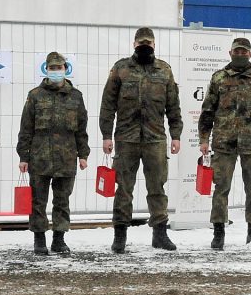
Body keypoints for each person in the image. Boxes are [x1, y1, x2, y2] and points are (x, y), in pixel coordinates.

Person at [99, 27, 183, 253]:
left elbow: (173, 106)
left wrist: (176, 135)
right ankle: (120, 236)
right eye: (141, 42)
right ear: (134, 44)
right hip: (126, 139)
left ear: (154, 45)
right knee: (123, 188)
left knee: (157, 187)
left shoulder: (164, 70)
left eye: (149, 42)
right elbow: (108, 104)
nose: (145, 45)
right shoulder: (121, 69)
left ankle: (160, 234)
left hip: (155, 139)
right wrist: (106, 135)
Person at [199, 37, 251, 250]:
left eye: (244, 52)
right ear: (230, 53)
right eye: (237, 52)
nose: (240, 55)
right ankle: (218, 232)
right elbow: (207, 111)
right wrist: (204, 139)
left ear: (250, 54)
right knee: (221, 188)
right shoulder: (218, 78)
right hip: (224, 143)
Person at [17, 51, 90, 256]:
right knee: (38, 201)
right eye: (52, 68)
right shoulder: (35, 96)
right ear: (46, 70)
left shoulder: (76, 97)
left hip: (66, 158)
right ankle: (39, 239)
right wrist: (23, 156)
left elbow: (82, 129)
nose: (56, 71)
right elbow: (26, 129)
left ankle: (59, 239)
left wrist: (83, 154)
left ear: (65, 70)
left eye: (59, 68)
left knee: (62, 200)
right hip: (40, 158)